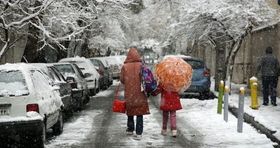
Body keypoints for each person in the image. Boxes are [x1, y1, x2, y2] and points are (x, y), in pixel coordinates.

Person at [120, 47, 150, 140]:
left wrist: (129, 83)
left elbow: (122, 80)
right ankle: (139, 132)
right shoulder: (141, 65)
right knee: (139, 111)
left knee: (130, 110)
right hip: (140, 92)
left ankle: (130, 129)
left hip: (130, 92)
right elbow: (146, 78)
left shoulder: (125, 67)